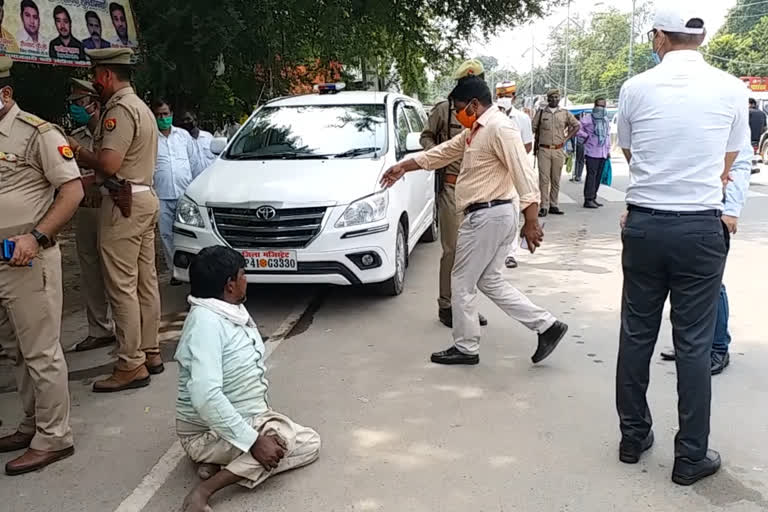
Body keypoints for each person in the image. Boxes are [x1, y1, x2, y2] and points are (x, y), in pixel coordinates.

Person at [615, 6, 748, 485]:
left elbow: (630, 150)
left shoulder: (635, 88)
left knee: (636, 333)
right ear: (702, 37)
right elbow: (729, 160)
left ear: (658, 38)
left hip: (646, 224)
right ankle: (690, 456)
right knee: (693, 345)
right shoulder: (732, 89)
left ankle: (634, 437)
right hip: (700, 228)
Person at [381, 77, 568, 366]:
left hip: (488, 216)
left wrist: (531, 221)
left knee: (462, 281)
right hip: (491, 215)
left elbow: (524, 174)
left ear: (474, 104)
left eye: (458, 108)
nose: (456, 115)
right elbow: (441, 153)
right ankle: (547, 325)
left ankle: (466, 346)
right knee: (489, 280)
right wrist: (403, 167)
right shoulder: (475, 131)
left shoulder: (498, 128)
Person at [175, 246, 321, 512]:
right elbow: (206, 396)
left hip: (240, 421)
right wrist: (254, 441)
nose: (247, 279)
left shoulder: (229, 310)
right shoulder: (205, 324)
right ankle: (204, 491)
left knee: (301, 441)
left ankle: (224, 461)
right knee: (297, 441)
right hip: (206, 433)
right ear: (230, 285)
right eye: (243, 274)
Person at [0, 56, 83, 475]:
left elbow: (72, 190)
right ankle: (31, 424)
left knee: (41, 351)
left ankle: (54, 438)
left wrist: (37, 237)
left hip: (28, 259)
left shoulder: (37, 134)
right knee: (15, 350)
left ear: (6, 93)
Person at [69, 48, 163, 392]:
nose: (94, 82)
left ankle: (129, 363)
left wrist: (76, 150)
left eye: (96, 75)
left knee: (121, 286)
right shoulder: (140, 107)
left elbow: (109, 164)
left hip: (122, 204)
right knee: (144, 283)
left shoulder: (120, 110)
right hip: (141, 199)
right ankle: (149, 351)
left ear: (106, 75)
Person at [658, 135, 753, 375]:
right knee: (680, 282)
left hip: (714, 212)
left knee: (712, 285)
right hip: (681, 210)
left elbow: (740, 164)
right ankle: (689, 347)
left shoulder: (728, 107)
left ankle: (718, 348)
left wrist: (731, 209)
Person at [420, 59, 489, 329]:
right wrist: (437, 153)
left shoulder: (488, 113)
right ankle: (447, 305)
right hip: (451, 187)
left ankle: (468, 306)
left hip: (481, 190)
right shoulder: (444, 110)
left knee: (475, 253)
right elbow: (426, 137)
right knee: (452, 250)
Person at [68, 78, 116, 352]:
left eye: (79, 103)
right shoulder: (75, 137)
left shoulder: (112, 132)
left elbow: (115, 169)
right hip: (85, 210)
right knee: (90, 271)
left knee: (116, 270)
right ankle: (99, 328)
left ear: (94, 104)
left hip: (110, 207)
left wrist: (91, 181)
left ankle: (127, 328)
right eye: (72, 103)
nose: (75, 107)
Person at [151, 98, 204, 283]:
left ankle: (194, 268)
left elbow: (195, 163)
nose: (162, 118)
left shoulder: (183, 136)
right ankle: (175, 270)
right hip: (161, 194)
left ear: (171, 114)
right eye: (158, 115)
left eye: (165, 114)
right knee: (166, 234)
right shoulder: (150, 138)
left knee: (190, 231)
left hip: (185, 194)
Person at [495, 80, 533, 270]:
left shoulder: (522, 119)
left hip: (514, 171)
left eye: (507, 96)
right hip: (494, 172)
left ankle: (510, 252)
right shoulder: (489, 117)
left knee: (513, 212)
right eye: (501, 96)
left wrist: (512, 158)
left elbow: (528, 145)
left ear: (514, 97)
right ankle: (494, 252)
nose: (504, 99)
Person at [533, 89, 581, 217]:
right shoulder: (542, 112)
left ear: (559, 99)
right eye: (552, 97)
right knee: (544, 179)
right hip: (544, 149)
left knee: (556, 179)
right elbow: (533, 127)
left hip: (558, 149)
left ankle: (554, 204)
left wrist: (566, 138)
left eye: (556, 97)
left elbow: (576, 125)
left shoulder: (564, 113)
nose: (554, 99)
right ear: (548, 99)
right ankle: (543, 206)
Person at [578, 98, 612, 209]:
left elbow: (607, 136)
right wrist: (586, 136)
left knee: (598, 176)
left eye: (603, 106)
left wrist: (608, 150)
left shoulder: (605, 120)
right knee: (591, 176)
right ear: (594, 106)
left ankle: (593, 198)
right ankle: (588, 199)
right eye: (599, 106)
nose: (601, 109)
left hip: (602, 152)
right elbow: (577, 129)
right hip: (592, 152)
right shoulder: (587, 119)